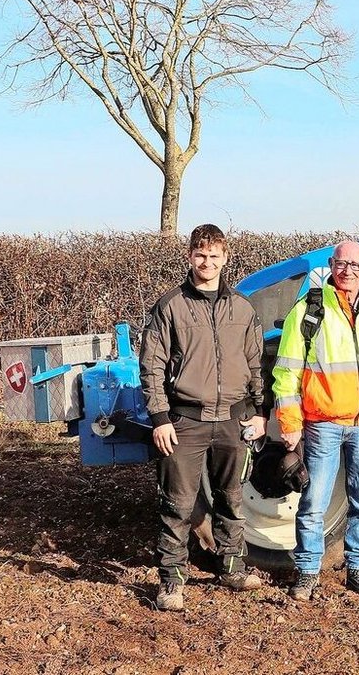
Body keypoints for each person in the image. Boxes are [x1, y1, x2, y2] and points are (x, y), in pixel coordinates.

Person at [271, 240, 359, 602]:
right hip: (324, 424)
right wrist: (290, 422)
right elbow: (286, 372)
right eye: (341, 263)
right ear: (331, 266)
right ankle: (307, 571)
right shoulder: (309, 312)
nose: (347, 271)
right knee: (314, 501)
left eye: (355, 264)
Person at [139, 223, 267, 612]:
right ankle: (172, 581)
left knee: (231, 499)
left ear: (225, 258)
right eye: (200, 254)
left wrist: (259, 412)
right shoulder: (171, 305)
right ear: (189, 257)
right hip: (184, 421)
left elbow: (255, 364)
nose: (206, 262)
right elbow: (152, 365)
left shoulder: (242, 308)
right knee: (177, 504)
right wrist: (160, 417)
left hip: (232, 419)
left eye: (214, 255)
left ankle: (231, 567)